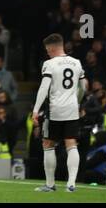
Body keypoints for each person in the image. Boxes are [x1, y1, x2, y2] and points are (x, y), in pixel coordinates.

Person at [32, 33, 85, 194]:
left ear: (53, 48)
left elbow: (44, 87)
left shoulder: (49, 64)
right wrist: (77, 101)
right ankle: (71, 184)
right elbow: (82, 87)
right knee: (71, 143)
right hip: (72, 109)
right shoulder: (77, 63)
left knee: (48, 143)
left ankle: (50, 185)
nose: (47, 53)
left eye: (48, 50)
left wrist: (35, 109)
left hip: (55, 110)